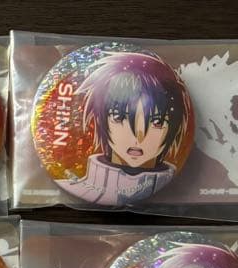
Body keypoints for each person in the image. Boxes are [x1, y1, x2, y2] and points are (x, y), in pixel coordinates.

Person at [57, 51, 191, 206]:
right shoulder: (71, 185)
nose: (138, 136)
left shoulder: (177, 190)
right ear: (101, 119)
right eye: (120, 118)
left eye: (157, 122)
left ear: (173, 127)